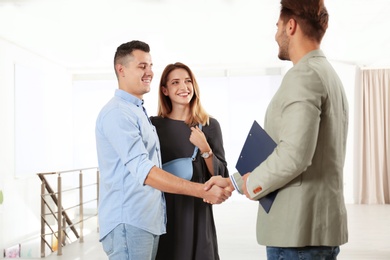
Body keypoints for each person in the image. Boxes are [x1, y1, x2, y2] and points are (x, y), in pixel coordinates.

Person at [205, 0, 349, 259]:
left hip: (297, 234)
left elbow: (294, 155)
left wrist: (253, 184)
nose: (275, 35)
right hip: (314, 232)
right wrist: (235, 183)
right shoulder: (328, 75)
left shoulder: (303, 76)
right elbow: (293, 151)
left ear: (291, 26)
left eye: (278, 26)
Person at [95, 40, 231, 260]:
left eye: (150, 65)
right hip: (135, 220)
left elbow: (220, 174)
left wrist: (205, 150)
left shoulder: (138, 113)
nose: (149, 71)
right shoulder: (123, 114)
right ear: (121, 69)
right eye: (142, 66)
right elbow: (145, 170)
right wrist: (202, 190)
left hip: (156, 220)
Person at [150, 62, 229, 260]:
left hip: (198, 215)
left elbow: (221, 175)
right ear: (165, 90)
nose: (183, 87)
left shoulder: (209, 125)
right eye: (175, 82)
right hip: (163, 214)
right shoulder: (153, 126)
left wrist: (206, 149)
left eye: (187, 81)